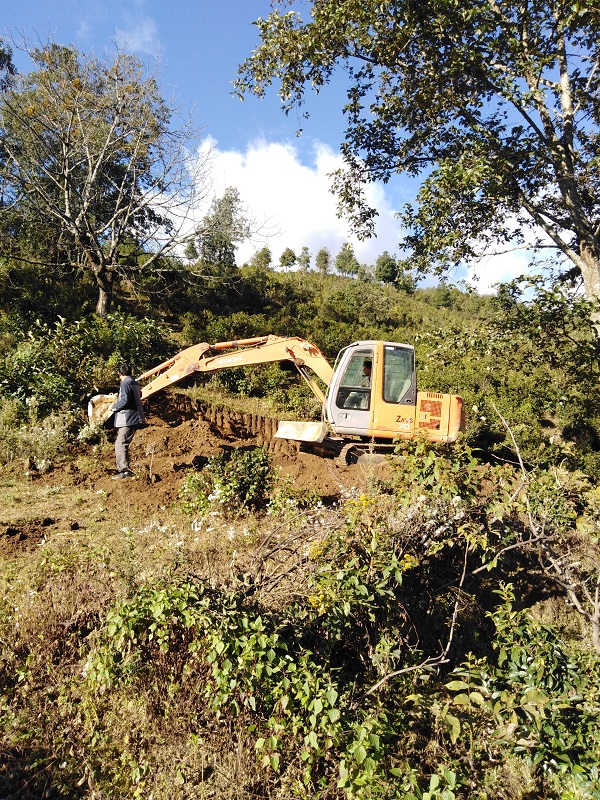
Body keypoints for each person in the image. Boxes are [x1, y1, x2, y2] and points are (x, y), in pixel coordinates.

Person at [111, 363, 146, 479]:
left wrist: (114, 407)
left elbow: (125, 400)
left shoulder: (125, 383)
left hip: (128, 419)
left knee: (120, 444)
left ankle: (124, 471)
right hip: (136, 417)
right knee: (122, 443)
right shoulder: (135, 383)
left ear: (119, 373)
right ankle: (125, 469)